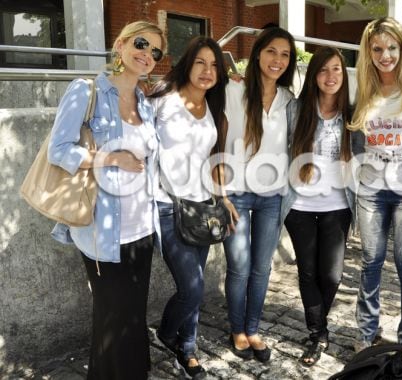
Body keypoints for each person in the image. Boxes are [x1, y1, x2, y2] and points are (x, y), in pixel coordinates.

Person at [47, 21, 165, 380]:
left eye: (156, 52)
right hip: (104, 230)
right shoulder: (86, 90)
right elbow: (59, 150)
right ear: (121, 44)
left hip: (142, 226)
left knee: (131, 316)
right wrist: (110, 158)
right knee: (114, 315)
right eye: (142, 44)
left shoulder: (145, 102)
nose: (148, 55)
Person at [149, 36, 234, 379]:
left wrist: (223, 196)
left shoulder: (214, 106)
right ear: (187, 63)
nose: (207, 70)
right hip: (166, 205)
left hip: (201, 207)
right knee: (193, 287)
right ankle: (167, 334)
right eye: (200, 62)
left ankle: (188, 351)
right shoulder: (162, 98)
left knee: (194, 286)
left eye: (214, 65)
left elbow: (213, 159)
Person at [348, 17, 402, 364]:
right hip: (371, 187)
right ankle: (366, 335)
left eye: (392, 47)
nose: (385, 55)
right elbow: (353, 137)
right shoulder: (361, 88)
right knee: (371, 261)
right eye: (378, 48)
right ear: (369, 51)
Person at [222, 27, 297, 363]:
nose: (277, 60)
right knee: (239, 267)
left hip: (272, 196)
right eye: (271, 51)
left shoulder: (289, 100)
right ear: (257, 54)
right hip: (235, 193)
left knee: (261, 268)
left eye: (284, 54)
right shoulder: (232, 90)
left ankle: (253, 328)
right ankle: (237, 328)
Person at [280, 47, 355, 366]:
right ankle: (318, 334)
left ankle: (317, 328)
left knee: (333, 275)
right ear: (313, 75)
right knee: (308, 271)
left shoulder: (353, 116)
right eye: (323, 70)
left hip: (338, 206)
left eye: (336, 69)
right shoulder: (296, 109)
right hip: (299, 205)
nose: (330, 76)